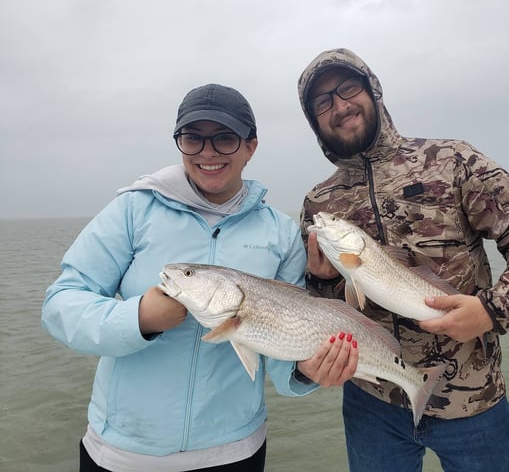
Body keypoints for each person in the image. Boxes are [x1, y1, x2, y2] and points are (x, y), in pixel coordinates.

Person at [42, 83, 357, 472]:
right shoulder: (132, 210)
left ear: (250, 147)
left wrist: (303, 370)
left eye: (224, 139)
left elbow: (280, 339)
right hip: (123, 453)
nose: (208, 153)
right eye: (193, 139)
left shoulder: (279, 232)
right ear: (180, 143)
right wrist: (139, 317)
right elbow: (61, 304)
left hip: (236, 450)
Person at [297, 48, 509, 472]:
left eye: (347, 88)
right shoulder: (319, 205)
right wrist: (319, 281)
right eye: (322, 102)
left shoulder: (452, 161)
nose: (339, 106)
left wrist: (490, 310)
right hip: (372, 401)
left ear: (373, 90)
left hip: (473, 399)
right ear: (314, 120)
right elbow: (325, 308)